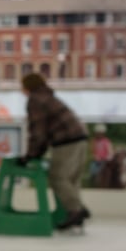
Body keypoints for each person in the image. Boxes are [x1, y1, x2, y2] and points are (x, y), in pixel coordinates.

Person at [18, 72, 89, 229]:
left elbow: (38, 131)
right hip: (80, 138)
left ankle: (76, 210)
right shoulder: (48, 96)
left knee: (58, 178)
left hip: (66, 141)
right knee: (71, 180)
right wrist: (36, 153)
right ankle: (76, 213)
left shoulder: (35, 100)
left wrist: (30, 155)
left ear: (27, 87)